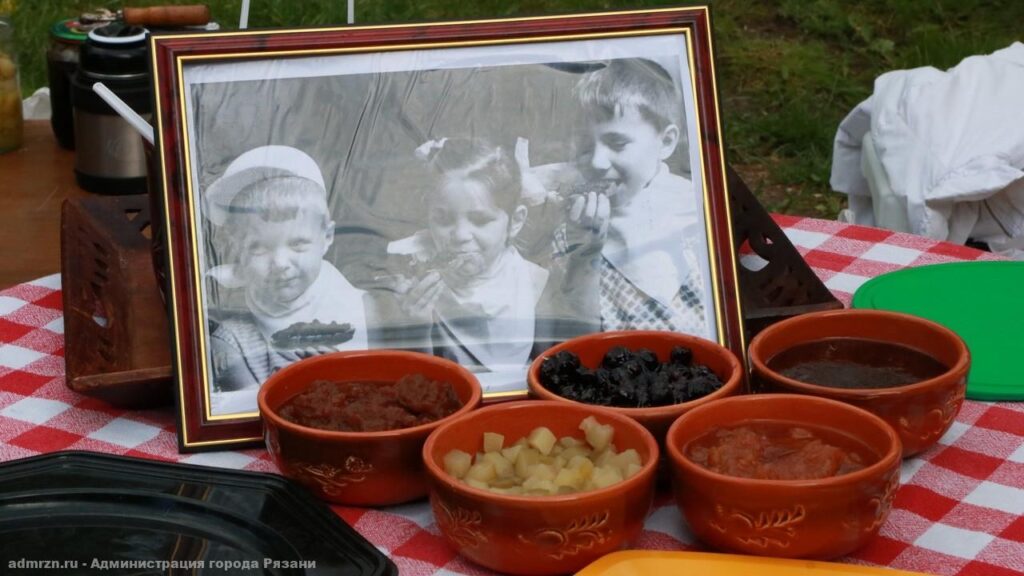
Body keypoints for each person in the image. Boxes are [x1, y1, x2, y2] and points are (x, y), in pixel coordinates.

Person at [539, 57, 709, 341]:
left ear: (665, 142)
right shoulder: (571, 229)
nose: (597, 161)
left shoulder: (697, 213)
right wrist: (586, 252)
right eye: (584, 146)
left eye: (617, 143)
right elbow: (574, 337)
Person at [204, 145, 368, 414]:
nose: (279, 263)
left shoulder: (362, 307)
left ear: (326, 236)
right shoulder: (232, 340)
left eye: (298, 244)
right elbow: (256, 413)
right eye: (259, 248)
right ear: (237, 246)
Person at [391, 137, 548, 392]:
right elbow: (419, 383)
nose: (460, 235)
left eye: (480, 219)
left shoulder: (534, 282)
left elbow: (550, 372)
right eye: (443, 219)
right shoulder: (415, 283)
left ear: (515, 221)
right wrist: (417, 328)